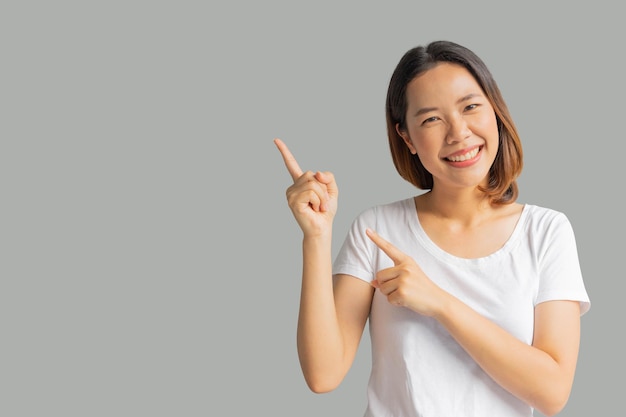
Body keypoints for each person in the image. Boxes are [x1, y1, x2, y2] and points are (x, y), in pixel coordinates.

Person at [274, 40, 590, 417]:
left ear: (495, 111)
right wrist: (316, 236)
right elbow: (323, 375)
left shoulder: (545, 231)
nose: (458, 133)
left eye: (470, 106)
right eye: (431, 119)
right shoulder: (377, 229)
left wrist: (438, 302)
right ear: (406, 137)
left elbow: (553, 392)